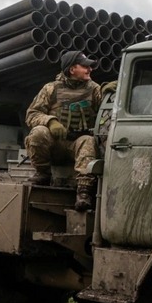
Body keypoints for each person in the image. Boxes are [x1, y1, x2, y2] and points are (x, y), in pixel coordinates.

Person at [25, 50, 103, 210]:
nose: (90, 69)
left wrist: (111, 92)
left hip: (77, 144)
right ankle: (43, 174)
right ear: (72, 69)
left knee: (87, 141)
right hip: (55, 145)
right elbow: (32, 114)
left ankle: (83, 191)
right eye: (85, 66)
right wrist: (50, 121)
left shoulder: (94, 89)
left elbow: (107, 109)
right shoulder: (51, 89)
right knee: (38, 133)